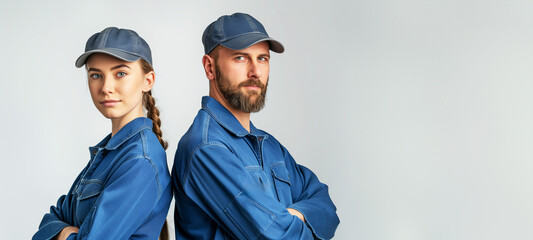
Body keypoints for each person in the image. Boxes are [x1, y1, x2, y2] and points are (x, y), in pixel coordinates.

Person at [172, 13, 340, 239]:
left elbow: (327, 207)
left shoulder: (270, 146)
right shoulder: (206, 148)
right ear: (210, 68)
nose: (256, 72)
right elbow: (276, 237)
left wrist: (294, 217)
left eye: (262, 58)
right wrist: (300, 218)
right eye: (240, 58)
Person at [33, 27, 172, 240]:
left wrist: (60, 234)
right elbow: (52, 217)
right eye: (96, 75)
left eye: (121, 73)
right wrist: (65, 231)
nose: (106, 87)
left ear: (148, 80)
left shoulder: (140, 160)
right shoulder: (109, 151)